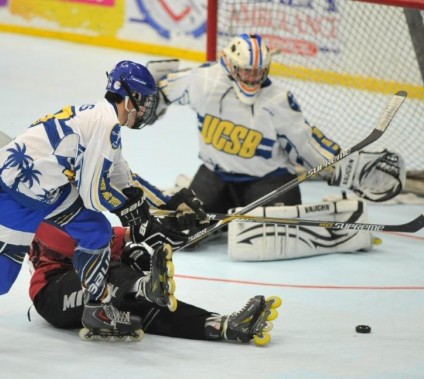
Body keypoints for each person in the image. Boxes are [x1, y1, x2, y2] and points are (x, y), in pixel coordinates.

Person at [0, 60, 206, 345]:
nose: (147, 107)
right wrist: (133, 212)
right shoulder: (103, 125)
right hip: (7, 195)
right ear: (128, 96)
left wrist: (171, 200)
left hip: (45, 193)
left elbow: (124, 178)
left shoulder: (102, 123)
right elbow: (94, 194)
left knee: (95, 231)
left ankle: (96, 310)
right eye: (144, 99)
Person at [150, 33, 405, 256]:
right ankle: (221, 218)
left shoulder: (278, 101)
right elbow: (161, 89)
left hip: (268, 182)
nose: (252, 78)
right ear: (231, 66)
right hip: (215, 176)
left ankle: (322, 224)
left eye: (259, 71)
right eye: (246, 70)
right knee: (180, 233)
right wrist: (142, 100)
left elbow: (309, 144)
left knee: (262, 237)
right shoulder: (204, 81)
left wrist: (348, 167)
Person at [28, 218, 281, 344]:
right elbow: (80, 243)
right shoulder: (39, 209)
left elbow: (99, 238)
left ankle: (221, 325)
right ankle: (143, 287)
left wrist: (133, 251)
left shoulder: (76, 204)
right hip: (53, 293)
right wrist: (130, 235)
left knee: (154, 307)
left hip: (95, 292)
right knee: (105, 271)